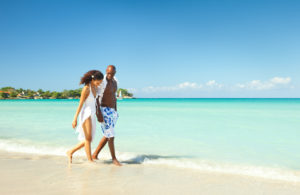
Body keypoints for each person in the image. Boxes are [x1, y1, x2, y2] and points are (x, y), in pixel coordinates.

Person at [67, 70, 104, 163]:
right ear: (93, 79)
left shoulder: (95, 87)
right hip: (86, 114)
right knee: (88, 139)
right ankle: (90, 160)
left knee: (89, 139)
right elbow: (80, 104)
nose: (99, 84)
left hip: (92, 114)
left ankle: (70, 151)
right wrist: (74, 119)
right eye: (98, 82)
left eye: (100, 82)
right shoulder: (86, 89)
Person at [92, 65, 122, 166]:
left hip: (112, 111)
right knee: (111, 136)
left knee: (107, 134)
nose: (109, 75)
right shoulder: (102, 81)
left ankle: (95, 154)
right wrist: (98, 113)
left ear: (115, 73)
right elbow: (96, 98)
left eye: (111, 73)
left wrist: (116, 110)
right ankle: (114, 159)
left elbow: (114, 96)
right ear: (106, 71)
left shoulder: (115, 81)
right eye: (108, 73)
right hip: (103, 110)